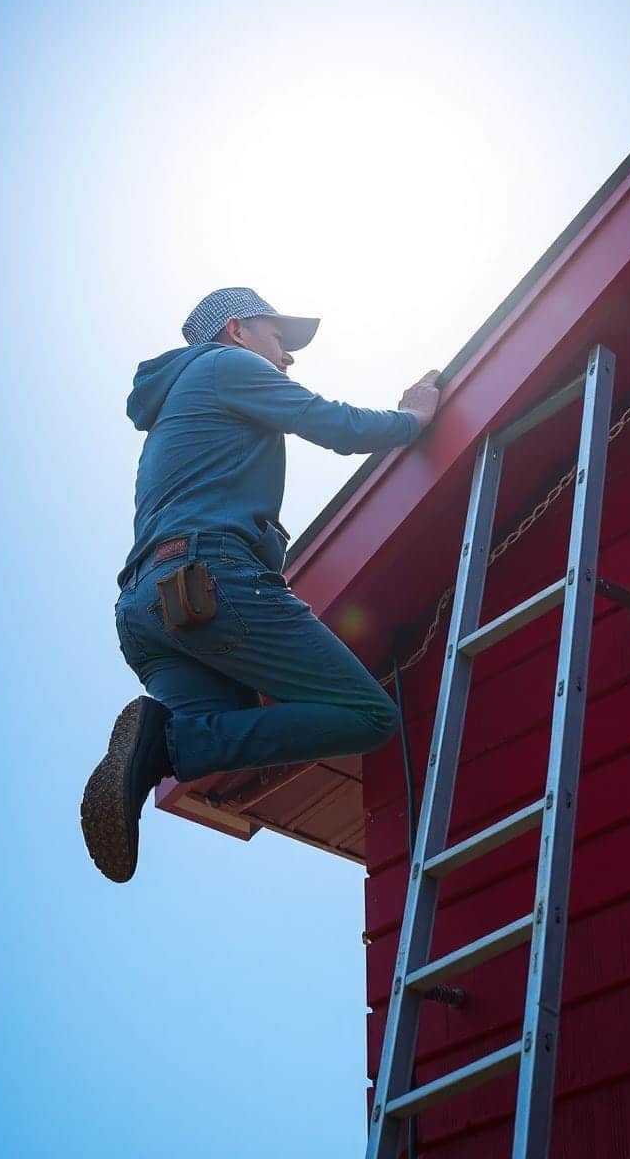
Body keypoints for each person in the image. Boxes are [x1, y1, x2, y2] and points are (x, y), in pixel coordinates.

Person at [81, 287, 441, 883]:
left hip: (147, 611)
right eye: (279, 338)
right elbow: (333, 424)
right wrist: (414, 418)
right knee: (366, 715)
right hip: (210, 580)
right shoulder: (226, 366)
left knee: (228, 719)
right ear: (237, 331)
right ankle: (168, 746)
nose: (288, 356)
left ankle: (161, 745)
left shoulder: (173, 408)